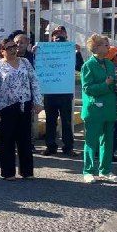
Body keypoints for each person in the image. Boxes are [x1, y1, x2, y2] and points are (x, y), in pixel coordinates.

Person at [0, 38, 42, 181]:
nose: (13, 49)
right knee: (7, 140)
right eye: (9, 48)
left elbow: (34, 81)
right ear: (2, 51)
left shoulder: (25, 62)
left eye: (14, 46)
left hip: (24, 105)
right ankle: (8, 172)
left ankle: (27, 171)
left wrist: (38, 101)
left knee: (25, 139)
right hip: (6, 108)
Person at [80, 34, 117, 183]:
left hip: (109, 108)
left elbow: (113, 84)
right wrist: (105, 85)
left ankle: (105, 170)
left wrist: (116, 86)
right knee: (91, 141)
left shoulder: (109, 64)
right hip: (94, 109)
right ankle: (88, 171)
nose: (108, 46)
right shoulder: (88, 65)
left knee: (108, 141)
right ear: (96, 47)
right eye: (104, 44)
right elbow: (87, 88)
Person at [41, 26, 83, 156]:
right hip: (50, 92)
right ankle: (50, 146)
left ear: (66, 35)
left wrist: (78, 52)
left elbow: (80, 67)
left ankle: (68, 147)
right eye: (56, 34)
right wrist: (36, 52)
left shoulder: (70, 50)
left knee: (66, 121)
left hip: (65, 92)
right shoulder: (45, 50)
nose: (58, 36)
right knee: (50, 121)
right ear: (52, 37)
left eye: (61, 33)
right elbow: (39, 66)